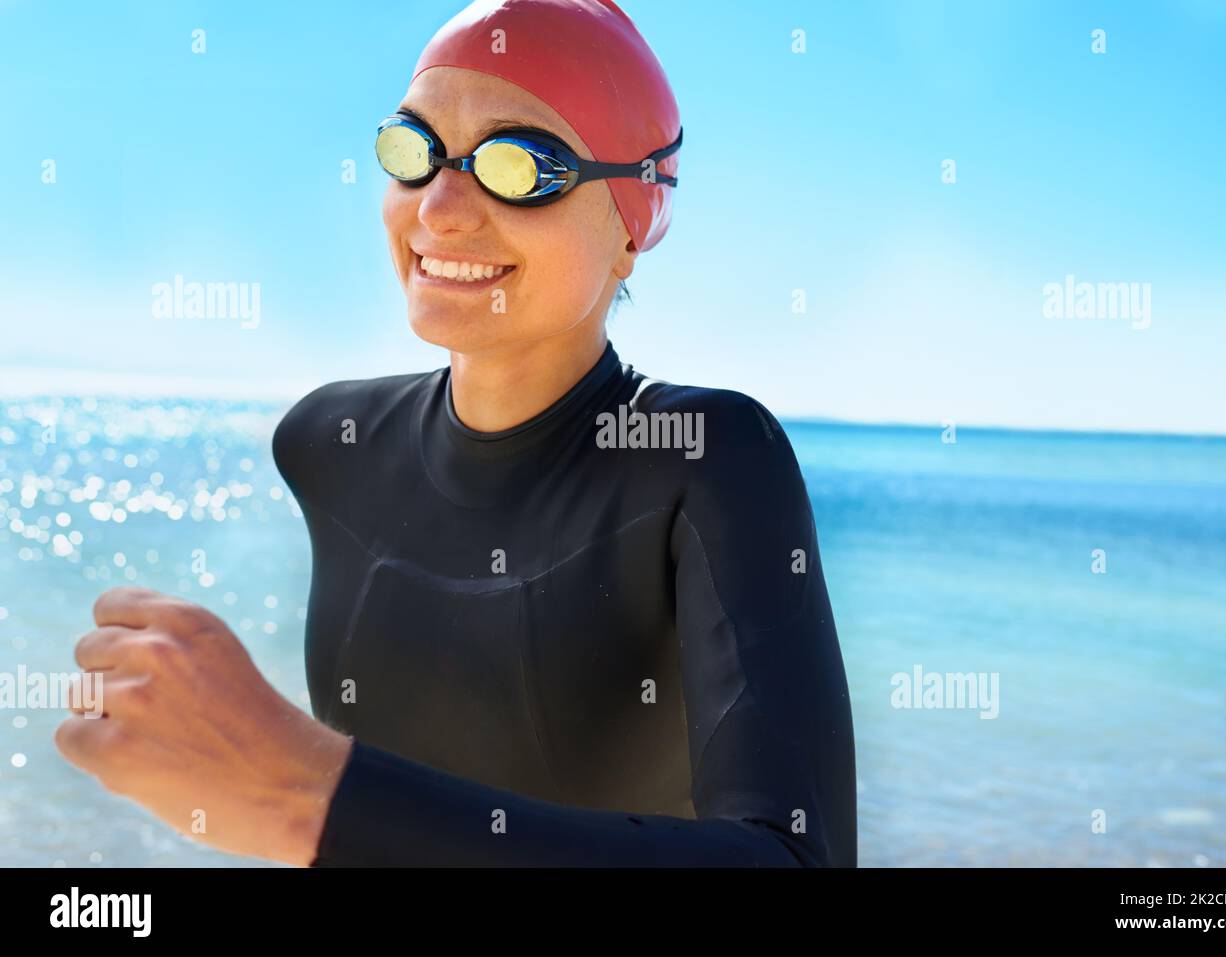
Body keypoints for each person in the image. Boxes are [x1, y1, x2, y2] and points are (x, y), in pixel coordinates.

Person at [58, 0, 856, 867]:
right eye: (414, 150)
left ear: (632, 224)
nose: (439, 207)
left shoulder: (707, 458)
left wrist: (301, 793)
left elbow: (792, 857)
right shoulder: (330, 441)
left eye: (520, 165)